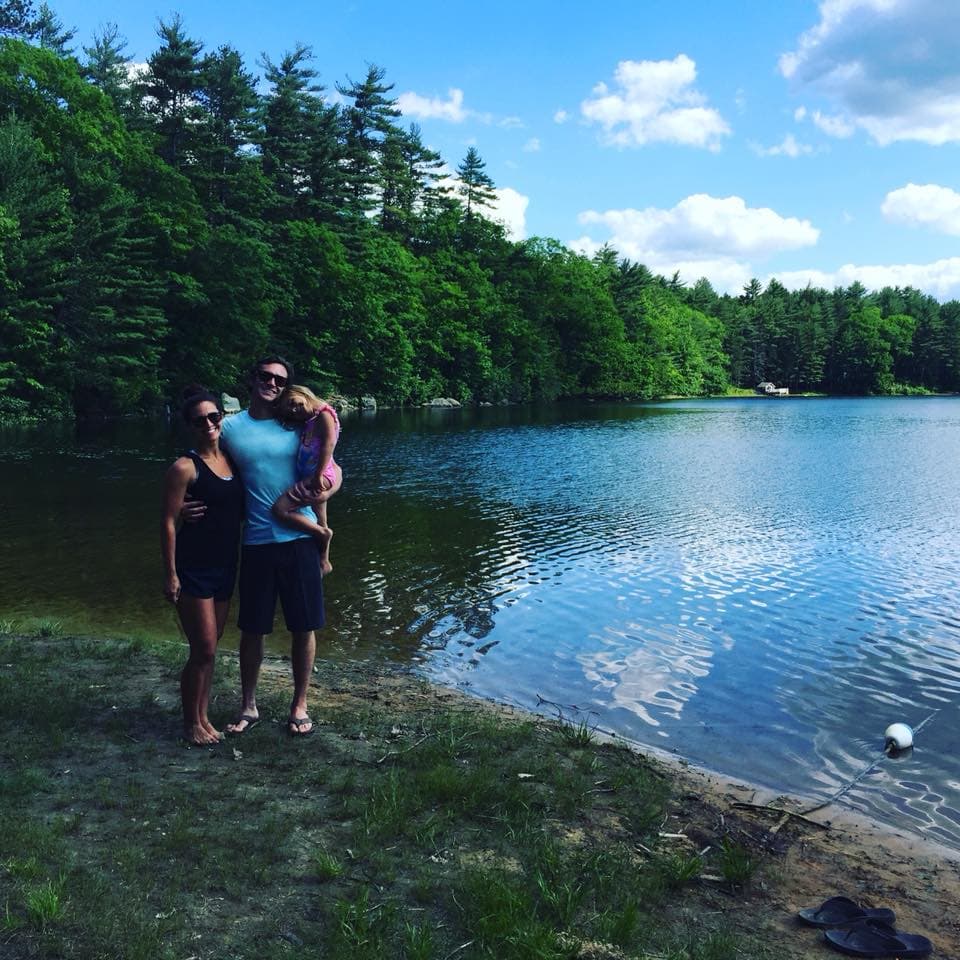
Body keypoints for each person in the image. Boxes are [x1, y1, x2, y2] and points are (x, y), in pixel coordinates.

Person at [185, 356, 341, 738]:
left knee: (304, 627)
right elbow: (205, 460)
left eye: (280, 379)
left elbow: (331, 468)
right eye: (265, 376)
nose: (271, 383)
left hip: (301, 539)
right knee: (253, 629)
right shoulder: (232, 428)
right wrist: (184, 500)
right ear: (252, 379)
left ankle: (299, 705)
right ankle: (248, 705)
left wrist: (329, 487)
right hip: (256, 541)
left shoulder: (299, 425)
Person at [161, 389, 244, 745]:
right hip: (193, 567)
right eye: (200, 420)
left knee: (213, 645)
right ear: (190, 426)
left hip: (226, 564)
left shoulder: (232, 459)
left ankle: (204, 716)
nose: (209, 424)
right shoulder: (184, 467)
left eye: (214, 417)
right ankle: (190, 723)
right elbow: (166, 521)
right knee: (203, 649)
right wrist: (171, 574)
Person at [271, 384, 340, 576]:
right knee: (321, 519)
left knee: (280, 509)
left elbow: (329, 443)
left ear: (302, 393)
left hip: (317, 477)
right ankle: (324, 561)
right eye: (290, 410)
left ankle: (322, 534)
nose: (294, 410)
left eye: (294, 403)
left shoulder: (324, 414)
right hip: (311, 476)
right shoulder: (309, 419)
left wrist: (317, 475)